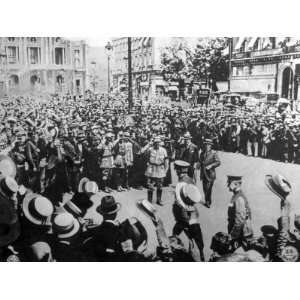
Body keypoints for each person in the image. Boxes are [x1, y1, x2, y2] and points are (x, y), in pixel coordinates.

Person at [172, 160, 205, 261]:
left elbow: (179, 199)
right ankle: (202, 254)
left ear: (179, 170)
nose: (175, 171)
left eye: (176, 169)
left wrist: (181, 207)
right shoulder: (190, 179)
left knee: (178, 233)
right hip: (193, 211)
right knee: (196, 232)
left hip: (183, 213)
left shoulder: (181, 182)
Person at [227, 175, 253, 250]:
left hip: (241, 234)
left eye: (229, 182)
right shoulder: (236, 195)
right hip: (240, 232)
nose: (227, 185)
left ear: (236, 184)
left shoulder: (239, 198)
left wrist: (232, 236)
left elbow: (240, 220)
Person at [142, 136, 169, 205]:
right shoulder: (150, 149)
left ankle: (159, 200)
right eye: (155, 143)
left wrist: (166, 170)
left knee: (160, 186)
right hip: (152, 168)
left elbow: (166, 160)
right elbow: (144, 154)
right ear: (153, 143)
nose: (157, 144)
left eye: (158, 143)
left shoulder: (163, 150)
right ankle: (149, 201)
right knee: (150, 185)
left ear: (160, 143)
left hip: (160, 168)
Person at [199, 138, 221, 208]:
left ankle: (208, 201)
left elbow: (218, 162)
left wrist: (211, 165)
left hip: (210, 174)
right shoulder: (202, 153)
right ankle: (207, 200)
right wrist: (198, 165)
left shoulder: (214, 153)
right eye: (205, 144)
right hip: (203, 173)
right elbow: (200, 161)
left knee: (208, 189)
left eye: (208, 145)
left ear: (211, 146)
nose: (207, 146)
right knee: (204, 188)